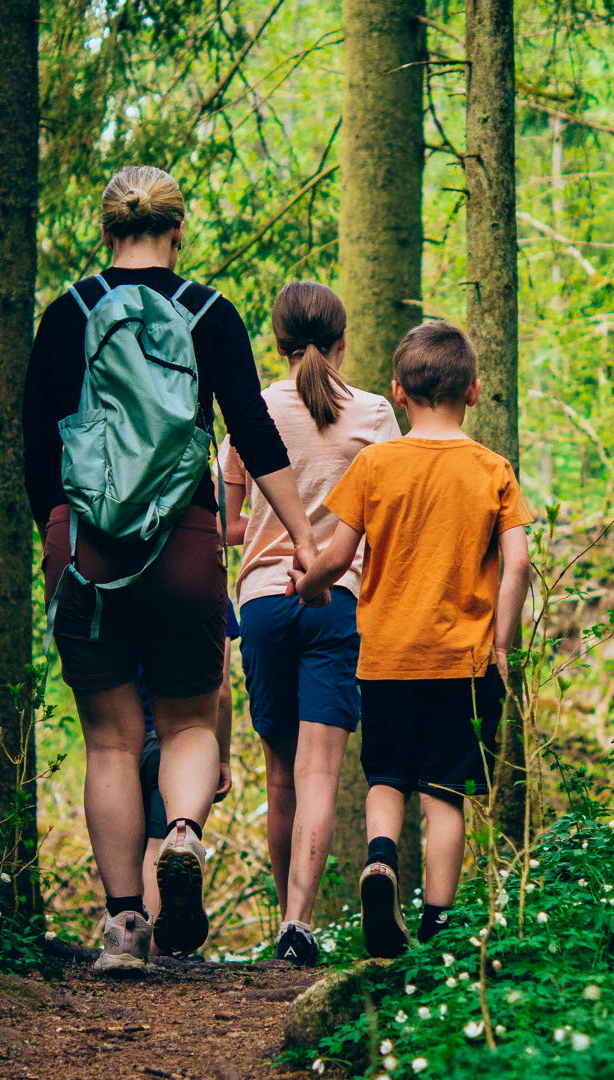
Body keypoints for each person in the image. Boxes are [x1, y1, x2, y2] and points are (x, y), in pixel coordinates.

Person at [25, 166, 319, 972]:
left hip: (87, 546)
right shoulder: (209, 313)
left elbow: (36, 441)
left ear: (106, 229)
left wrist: (59, 535)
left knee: (111, 742)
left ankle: (125, 927)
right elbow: (252, 430)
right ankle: (183, 831)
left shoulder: (69, 311)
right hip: (185, 540)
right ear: (178, 231)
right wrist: (302, 537)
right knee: (188, 723)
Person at [291, 321, 532, 958]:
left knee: (386, 777)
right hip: (463, 662)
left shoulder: (375, 463)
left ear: (398, 393)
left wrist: (308, 587)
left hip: (387, 658)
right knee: (445, 793)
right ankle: (436, 926)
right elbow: (519, 563)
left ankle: (380, 863)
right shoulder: (493, 469)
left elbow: (337, 557)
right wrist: (501, 644)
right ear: (473, 391)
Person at [219, 282, 400, 966]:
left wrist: (270, 526)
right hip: (339, 604)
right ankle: (299, 922)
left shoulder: (253, 410)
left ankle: (282, 928)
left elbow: (227, 522)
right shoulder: (375, 414)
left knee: (280, 776)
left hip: (265, 603)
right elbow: (389, 520)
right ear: (343, 341)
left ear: (277, 343)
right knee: (319, 772)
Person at [139, 602, 241, 929]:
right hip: (176, 745)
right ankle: (153, 950)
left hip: (122, 745)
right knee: (160, 848)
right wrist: (221, 756)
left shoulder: (113, 583)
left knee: (125, 855)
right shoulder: (209, 590)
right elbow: (220, 689)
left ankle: (123, 938)